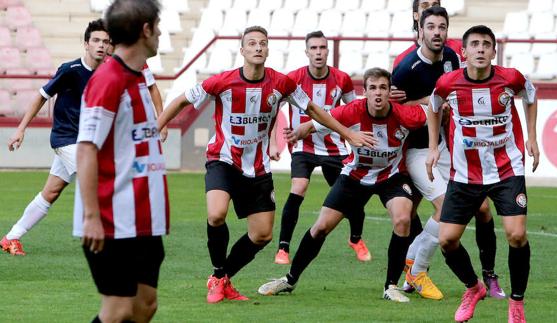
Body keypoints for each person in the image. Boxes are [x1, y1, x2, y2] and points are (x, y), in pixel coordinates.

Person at [157, 25, 375, 304]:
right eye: (252, 43)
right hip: (223, 159)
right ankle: (217, 274)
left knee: (262, 235)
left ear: (268, 49)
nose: (258, 47)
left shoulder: (281, 83)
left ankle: (222, 279)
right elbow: (181, 101)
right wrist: (158, 127)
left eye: (263, 43)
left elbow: (314, 111)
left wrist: (347, 134)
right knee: (216, 214)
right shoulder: (221, 82)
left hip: (258, 168)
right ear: (243, 50)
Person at [258, 67, 426, 303]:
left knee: (403, 219)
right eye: (373, 88)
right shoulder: (351, 110)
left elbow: (436, 111)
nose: (378, 93)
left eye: (383, 88)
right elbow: (318, 122)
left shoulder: (406, 115)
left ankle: (391, 286)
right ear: (364, 92)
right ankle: (290, 279)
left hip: (392, 176)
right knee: (321, 227)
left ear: (390, 92)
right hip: (355, 175)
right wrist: (300, 130)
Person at [426, 25, 538, 323]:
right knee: (447, 240)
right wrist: (433, 146)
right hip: (464, 173)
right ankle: (474, 288)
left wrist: (533, 137)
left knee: (516, 235)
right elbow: (433, 107)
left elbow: (530, 93)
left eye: (486, 44)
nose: (480, 49)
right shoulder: (448, 83)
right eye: (474, 44)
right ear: (463, 52)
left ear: (493, 51)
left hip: (507, 168)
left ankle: (516, 302)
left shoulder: (510, 78)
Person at [392, 6, 504, 300]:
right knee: (445, 212)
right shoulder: (405, 70)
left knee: (479, 209)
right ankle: (418, 271)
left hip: (444, 146)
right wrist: (426, 102)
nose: (437, 33)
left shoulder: (453, 58)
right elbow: (394, 112)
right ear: (421, 30)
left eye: (442, 27)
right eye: (432, 27)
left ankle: (413, 260)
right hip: (416, 152)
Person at [75, 0, 169, 322]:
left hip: (144, 218)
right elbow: (86, 148)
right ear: (145, 30)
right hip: (111, 218)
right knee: (117, 311)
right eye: (157, 26)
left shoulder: (139, 75)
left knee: (145, 306)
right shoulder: (108, 80)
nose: (159, 33)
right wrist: (91, 216)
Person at [1, 19, 110, 256]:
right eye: (96, 40)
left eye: (105, 41)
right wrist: (21, 129)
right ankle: (106, 242)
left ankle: (11, 237)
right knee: (100, 178)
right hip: (66, 139)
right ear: (86, 44)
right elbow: (41, 96)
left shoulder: (107, 74)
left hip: (86, 142)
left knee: (50, 193)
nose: (101, 45)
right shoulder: (70, 71)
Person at [271, 30, 371, 265]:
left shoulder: (342, 79)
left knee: (352, 196)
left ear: (328, 51)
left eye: (322, 48)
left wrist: (360, 140)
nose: (318, 52)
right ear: (306, 52)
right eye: (314, 48)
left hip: (335, 148)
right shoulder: (292, 79)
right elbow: (274, 109)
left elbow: (354, 110)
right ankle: (283, 248)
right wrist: (274, 142)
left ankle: (356, 239)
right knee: (299, 186)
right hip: (303, 145)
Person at [393, 0, 464, 69]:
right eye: (425, 6)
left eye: (435, 6)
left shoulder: (460, 49)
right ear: (416, 15)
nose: (431, 9)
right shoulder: (402, 59)